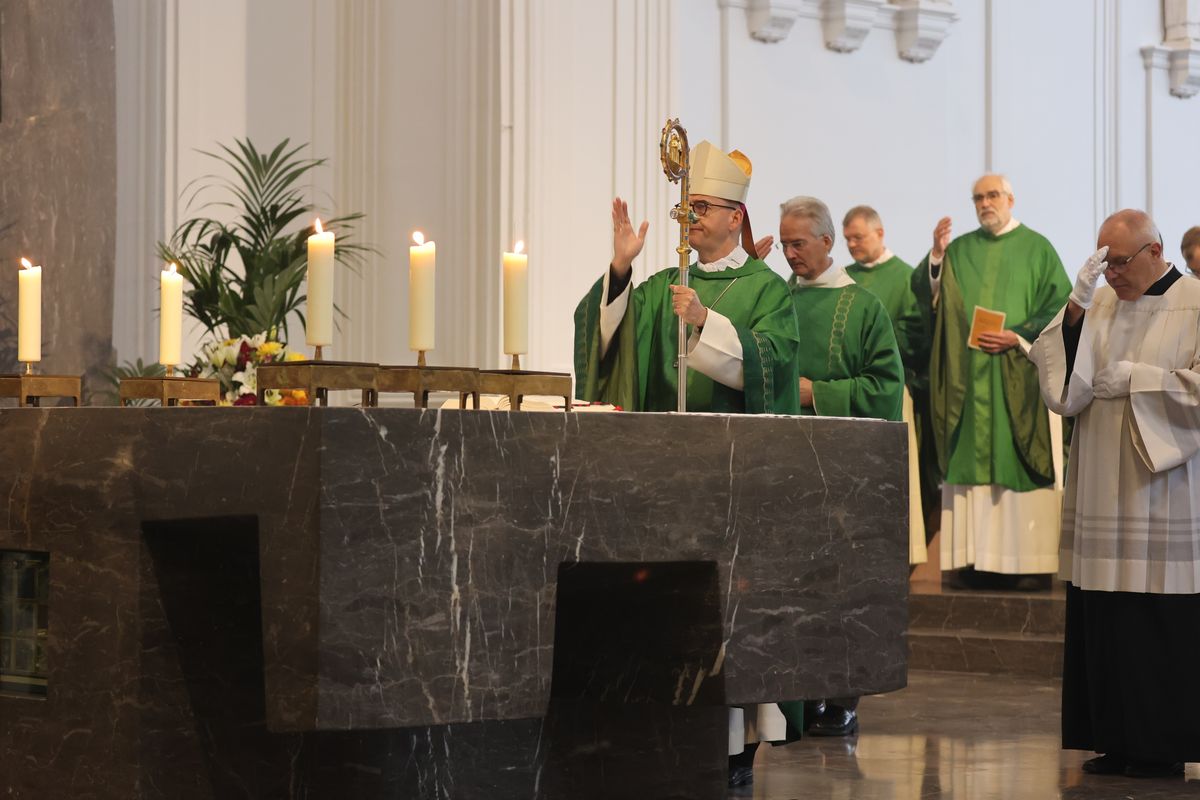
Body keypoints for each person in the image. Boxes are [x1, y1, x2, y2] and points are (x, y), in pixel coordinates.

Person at [1030, 209, 1200, 779]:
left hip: (1162, 490)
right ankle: (1114, 738)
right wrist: (1075, 310)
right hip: (1102, 481)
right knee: (1103, 614)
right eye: (1102, 262)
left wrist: (1141, 382)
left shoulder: (1196, 301)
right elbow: (1062, 386)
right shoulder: (1100, 301)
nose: (1112, 274)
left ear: (1155, 251)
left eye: (1120, 262)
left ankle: (1159, 745)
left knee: (1153, 620)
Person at [767, 196, 903, 748]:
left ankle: (842, 697)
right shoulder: (774, 302)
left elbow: (886, 389)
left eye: (798, 243)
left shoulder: (863, 307)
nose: (790, 253)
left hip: (844, 472)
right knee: (793, 584)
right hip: (783, 465)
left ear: (827, 241)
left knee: (839, 585)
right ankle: (797, 693)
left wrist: (816, 393)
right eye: (783, 245)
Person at [911, 174, 1071, 586]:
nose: (985, 203)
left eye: (993, 195)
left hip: (1017, 375)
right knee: (970, 467)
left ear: (1011, 199)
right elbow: (930, 298)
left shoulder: (1038, 248)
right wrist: (935, 258)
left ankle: (1027, 566)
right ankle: (973, 562)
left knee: (1016, 461)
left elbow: (1060, 308)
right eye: (978, 197)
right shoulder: (959, 249)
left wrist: (1017, 335)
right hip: (968, 380)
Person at [573, 141, 800, 415]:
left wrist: (704, 320)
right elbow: (611, 334)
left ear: (735, 218)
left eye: (702, 207)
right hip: (658, 438)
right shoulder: (664, 286)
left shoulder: (768, 289)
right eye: (686, 205)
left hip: (730, 445)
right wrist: (621, 265)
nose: (689, 216)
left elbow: (773, 366)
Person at [842, 205, 928, 564]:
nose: (851, 246)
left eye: (858, 237)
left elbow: (915, 333)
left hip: (888, 387)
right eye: (847, 239)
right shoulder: (840, 278)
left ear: (880, 234)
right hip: (845, 390)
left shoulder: (906, 277)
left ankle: (894, 549)